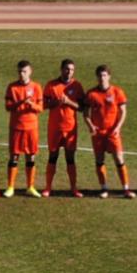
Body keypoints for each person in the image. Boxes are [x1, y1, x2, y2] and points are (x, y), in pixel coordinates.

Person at [82, 64, 135, 199]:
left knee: (119, 159)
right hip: (98, 133)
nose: (102, 78)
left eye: (104, 75)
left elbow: (123, 112)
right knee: (99, 161)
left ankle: (126, 189)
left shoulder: (117, 92)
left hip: (113, 133)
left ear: (109, 77)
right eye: (100, 75)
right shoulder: (91, 94)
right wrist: (91, 126)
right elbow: (85, 113)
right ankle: (104, 188)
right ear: (97, 77)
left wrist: (117, 128)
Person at [43, 59, 85, 198]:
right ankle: (48, 188)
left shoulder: (77, 86)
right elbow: (43, 104)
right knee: (52, 157)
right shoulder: (51, 85)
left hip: (70, 128)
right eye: (67, 69)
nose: (69, 72)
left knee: (70, 158)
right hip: (54, 128)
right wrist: (55, 102)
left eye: (72, 69)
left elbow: (82, 108)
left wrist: (68, 102)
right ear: (61, 69)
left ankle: (73, 188)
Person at [3, 60, 44, 198]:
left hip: (32, 127)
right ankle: (10, 187)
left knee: (30, 156)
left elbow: (40, 108)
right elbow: (8, 107)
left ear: (30, 72)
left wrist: (31, 104)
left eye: (24, 71)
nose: (22, 74)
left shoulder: (37, 87)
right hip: (16, 127)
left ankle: (30, 187)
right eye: (20, 71)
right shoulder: (12, 87)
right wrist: (21, 102)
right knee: (14, 156)